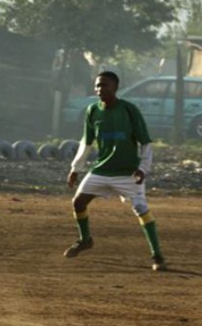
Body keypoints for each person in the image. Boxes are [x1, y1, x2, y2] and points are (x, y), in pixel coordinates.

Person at [65, 71, 165, 271]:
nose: (100, 89)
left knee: (141, 209)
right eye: (97, 86)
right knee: (78, 202)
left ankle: (157, 256)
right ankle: (85, 240)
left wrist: (143, 169)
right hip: (102, 169)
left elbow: (145, 142)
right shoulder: (92, 111)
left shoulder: (129, 110)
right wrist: (76, 168)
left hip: (128, 172)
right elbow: (86, 142)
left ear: (115, 87)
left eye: (104, 85)